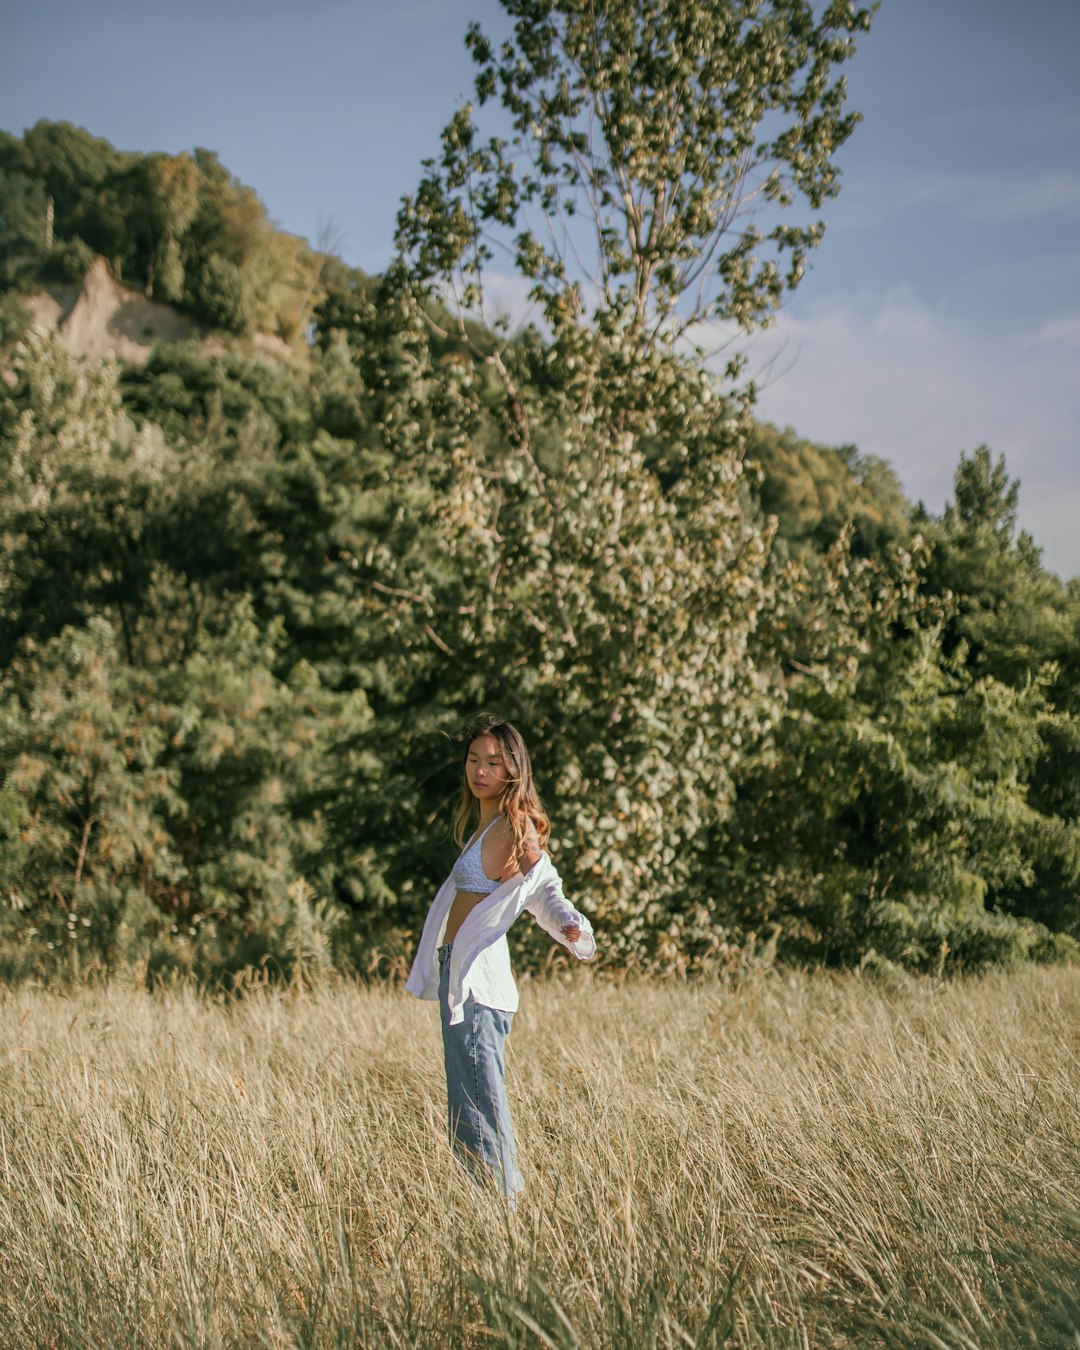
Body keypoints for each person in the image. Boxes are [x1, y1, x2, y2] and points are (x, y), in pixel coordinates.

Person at [405, 716, 596, 1203]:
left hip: (478, 983)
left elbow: (545, 884)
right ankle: (487, 1209)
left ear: (514, 768)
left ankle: (500, 1215)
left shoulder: (517, 825)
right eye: (473, 760)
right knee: (467, 1103)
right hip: (461, 975)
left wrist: (568, 921)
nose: (480, 770)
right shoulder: (485, 825)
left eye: (493, 762)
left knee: (479, 1105)